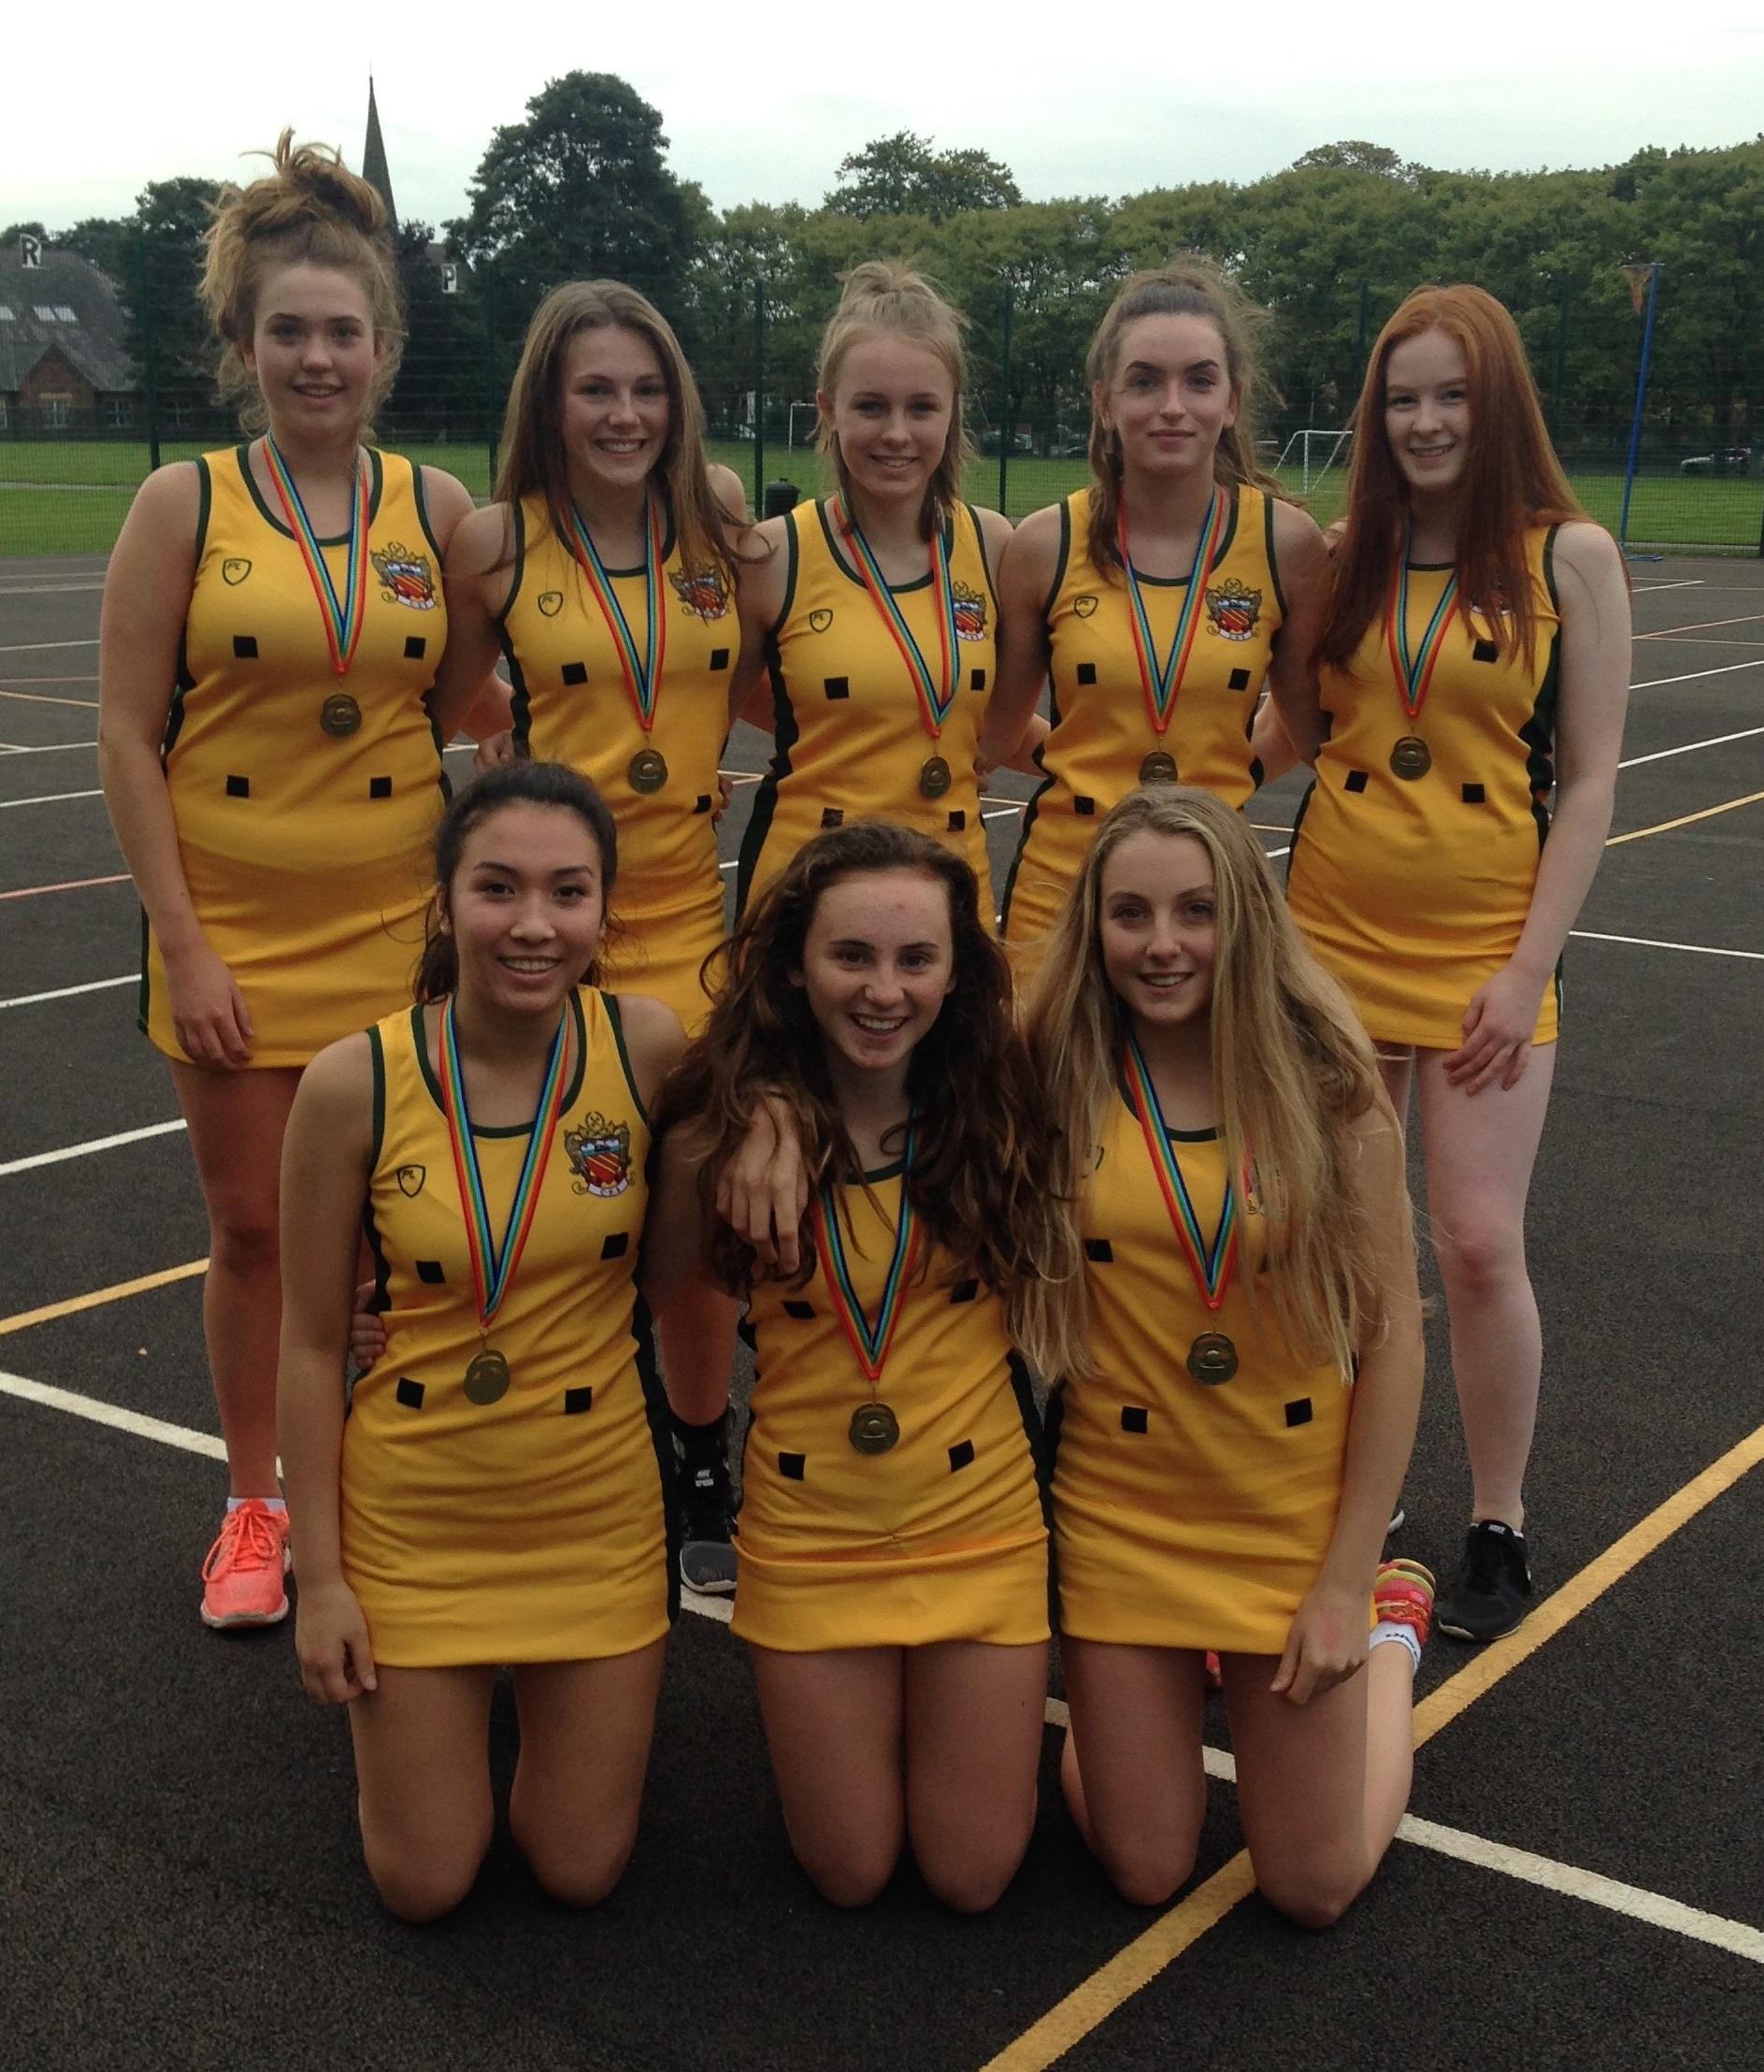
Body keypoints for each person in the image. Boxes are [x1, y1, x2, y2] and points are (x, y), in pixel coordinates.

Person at [97, 133, 479, 1631]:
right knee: (254, 1229)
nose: (316, 359)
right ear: (244, 345)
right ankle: (254, 1502)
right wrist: (184, 946)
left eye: (343, 334)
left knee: (398, 1231)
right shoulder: (181, 506)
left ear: (383, 348)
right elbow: (128, 740)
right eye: (288, 332)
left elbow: (464, 711)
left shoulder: (434, 509)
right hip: (235, 935)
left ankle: (370, 1489)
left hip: (397, 928)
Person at [278, 760, 687, 1921]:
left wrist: (738, 1144)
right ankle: (429, 1719)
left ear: (606, 910)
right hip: (418, 1505)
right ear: (446, 901)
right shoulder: (351, 1081)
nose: (534, 924)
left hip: (592, 1500)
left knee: (578, 1866)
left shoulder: (648, 1048)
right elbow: (310, 1345)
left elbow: (675, 1269)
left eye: (569, 892)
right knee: (425, 1880)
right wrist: (323, 1579)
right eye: (498, 888)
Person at [1016, 784, 1431, 1923]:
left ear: (1244, 917)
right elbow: (862, 1059)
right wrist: (764, 1115)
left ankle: (1397, 1638)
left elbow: (1392, 1346)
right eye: (1131, 914)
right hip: (1122, 1507)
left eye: (1195, 911)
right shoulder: (1048, 1066)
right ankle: (1132, 1707)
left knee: (1313, 1884)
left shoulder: (1330, 1086)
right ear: (1092, 926)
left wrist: (1347, 1580)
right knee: (1146, 1864)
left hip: (1286, 1512)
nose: (1162, 945)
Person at [1282, 285, 1630, 1641]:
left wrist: (1521, 964)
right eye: (1401, 398)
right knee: (1343, 1243)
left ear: (1494, 409)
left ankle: (1496, 1515)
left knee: (1477, 1246)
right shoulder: (1341, 550)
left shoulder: (1566, 555)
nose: (1422, 422)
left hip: (1488, 951)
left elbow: (1590, 785)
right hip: (1328, 943)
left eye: (1449, 397)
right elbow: (1304, 728)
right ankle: (1338, 1500)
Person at [646, 822, 1073, 1910]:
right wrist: (757, 1105)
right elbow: (611, 1291)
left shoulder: (1008, 1099)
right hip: (811, 1529)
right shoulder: (723, 1125)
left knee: (973, 1876)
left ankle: (1120, 1745)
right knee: (850, 1869)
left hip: (977, 1515)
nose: (884, 990)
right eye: (853, 956)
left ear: (957, 972)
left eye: (916, 959)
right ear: (794, 962)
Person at [432, 279, 752, 1594]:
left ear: (674, 401)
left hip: (691, 913)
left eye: (644, 388)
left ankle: (694, 1441)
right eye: (594, 389)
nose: (623, 414)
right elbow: (456, 690)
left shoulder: (721, 521)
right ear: (548, 404)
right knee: (540, 1206)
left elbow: (771, 676)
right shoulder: (496, 542)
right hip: (553, 931)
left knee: (698, 1210)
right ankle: (527, 1453)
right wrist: (521, 745)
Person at [981, 260, 1329, 976]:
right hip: (1066, 881)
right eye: (1144, 382)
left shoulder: (1286, 545)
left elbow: (1310, 723)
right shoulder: (1042, 546)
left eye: (1198, 381)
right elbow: (994, 732)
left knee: (1203, 1089)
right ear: (1104, 402)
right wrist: (1083, 769)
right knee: (1048, 1089)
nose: (1172, 405)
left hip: (1211, 889)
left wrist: (1225, 779)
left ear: (1231, 400)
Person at [730, 264, 1011, 915]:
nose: (895, 434)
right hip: (806, 883)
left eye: (921, 407)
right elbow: (707, 707)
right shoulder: (773, 554)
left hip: (951, 882)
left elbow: (997, 718)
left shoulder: (995, 548)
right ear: (827, 408)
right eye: (870, 406)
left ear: (952, 412)